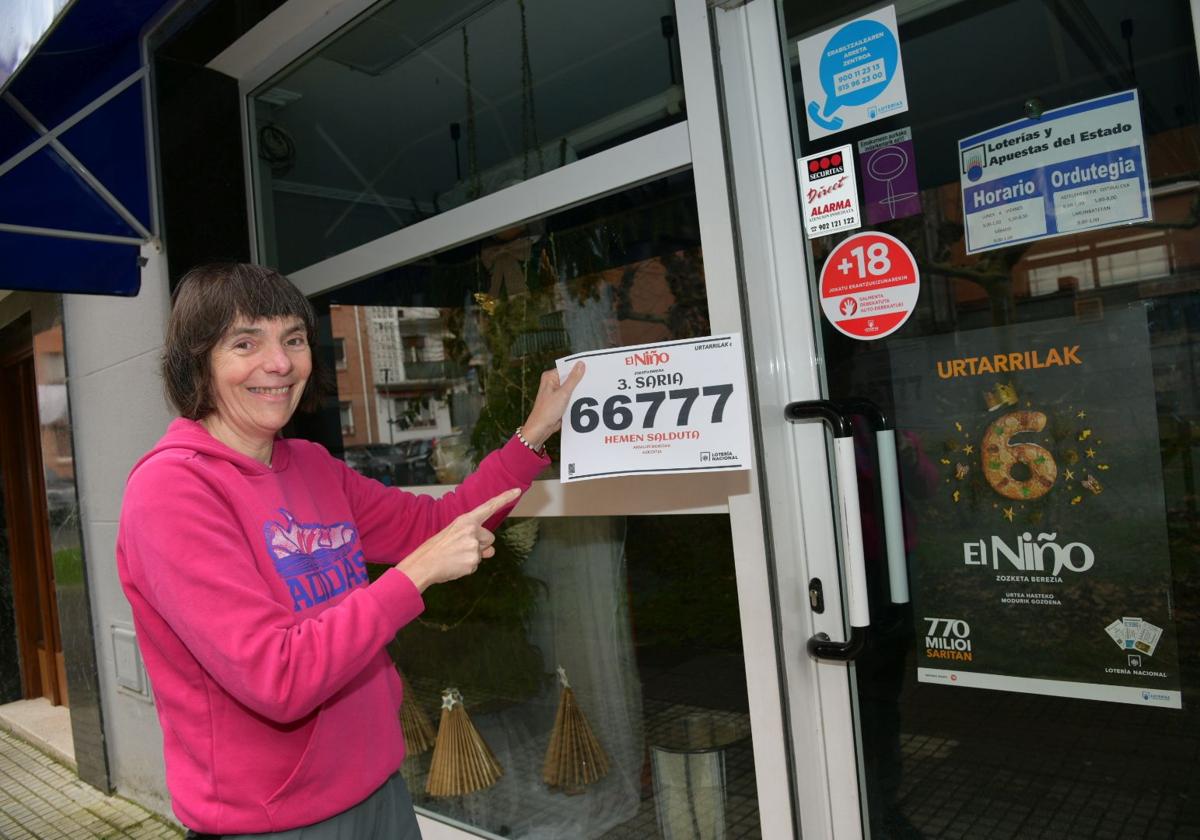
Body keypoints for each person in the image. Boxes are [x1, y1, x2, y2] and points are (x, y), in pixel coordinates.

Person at [116, 263, 584, 839]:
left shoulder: (311, 465)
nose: (280, 363)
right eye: (245, 343)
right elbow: (276, 676)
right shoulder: (172, 491)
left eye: (292, 339)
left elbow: (436, 524)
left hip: (377, 789)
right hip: (272, 823)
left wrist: (534, 431)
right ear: (197, 363)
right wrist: (412, 577)